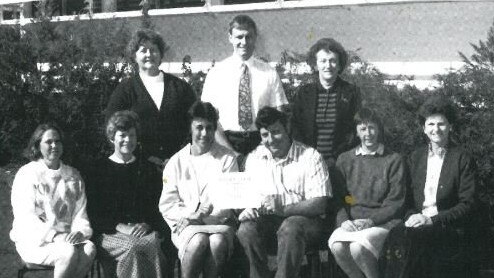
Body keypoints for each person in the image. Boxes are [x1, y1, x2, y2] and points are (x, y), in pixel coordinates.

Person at [383, 96, 478, 278]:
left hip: (448, 227)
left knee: (416, 241)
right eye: (431, 124)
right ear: (424, 129)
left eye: (441, 124)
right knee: (395, 235)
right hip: (418, 223)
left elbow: (468, 204)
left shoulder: (462, 158)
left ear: (451, 127)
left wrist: (432, 220)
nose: (436, 129)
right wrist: (411, 216)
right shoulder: (415, 158)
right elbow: (407, 199)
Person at [237, 106, 331, 278]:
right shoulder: (254, 159)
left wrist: (284, 208)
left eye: (276, 132)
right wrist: (249, 208)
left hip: (307, 223)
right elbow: (249, 196)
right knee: (246, 230)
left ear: (287, 129)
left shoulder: (310, 157)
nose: (271, 140)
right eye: (265, 135)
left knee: (290, 227)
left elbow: (319, 203)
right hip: (268, 222)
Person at [160, 101, 238, 278]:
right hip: (185, 224)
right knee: (197, 241)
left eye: (209, 128)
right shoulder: (176, 162)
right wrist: (190, 216)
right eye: (199, 127)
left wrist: (202, 218)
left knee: (217, 242)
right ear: (190, 128)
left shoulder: (227, 158)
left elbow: (228, 200)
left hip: (219, 222)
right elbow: (168, 204)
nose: (204, 133)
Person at [86, 111, 166, 277]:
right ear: (112, 138)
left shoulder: (148, 170)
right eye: (122, 135)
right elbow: (94, 212)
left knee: (151, 245)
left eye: (132, 135)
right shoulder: (98, 170)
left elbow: (157, 207)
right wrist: (120, 226)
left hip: (142, 232)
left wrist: (147, 224)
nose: (128, 140)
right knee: (133, 247)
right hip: (109, 233)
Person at [328, 108, 406, 278]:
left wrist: (371, 220)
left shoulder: (393, 159)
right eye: (363, 129)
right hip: (353, 222)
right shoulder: (345, 160)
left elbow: (395, 201)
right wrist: (343, 221)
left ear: (378, 129)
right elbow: (342, 198)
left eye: (372, 128)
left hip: (384, 222)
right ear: (356, 132)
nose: (368, 133)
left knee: (358, 248)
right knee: (337, 246)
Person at [10, 123, 95, 278]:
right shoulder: (27, 175)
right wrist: (54, 236)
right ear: (37, 146)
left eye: (58, 141)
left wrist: (79, 232)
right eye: (49, 142)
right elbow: (25, 217)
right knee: (67, 252)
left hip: (67, 238)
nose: (54, 145)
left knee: (89, 249)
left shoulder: (73, 176)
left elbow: (80, 213)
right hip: (35, 240)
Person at [106, 28, 196, 171]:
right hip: (138, 168)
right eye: (143, 50)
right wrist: (143, 156)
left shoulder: (180, 88)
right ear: (135, 56)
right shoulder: (125, 90)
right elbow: (112, 129)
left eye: (153, 50)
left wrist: (177, 157)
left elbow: (195, 125)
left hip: (179, 166)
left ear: (161, 54)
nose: (149, 54)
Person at [201, 14, 289, 157]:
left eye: (249, 37)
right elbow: (207, 117)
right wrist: (229, 151)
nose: (244, 42)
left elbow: (279, 115)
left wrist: (264, 147)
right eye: (239, 37)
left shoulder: (269, 72)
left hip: (262, 142)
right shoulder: (216, 73)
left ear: (255, 38)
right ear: (230, 38)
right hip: (224, 141)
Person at [291, 38, 361, 169]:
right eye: (323, 61)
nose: (328, 66)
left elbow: (354, 130)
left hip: (341, 163)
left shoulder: (351, 93)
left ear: (339, 65)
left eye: (333, 61)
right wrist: (308, 156)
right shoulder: (304, 93)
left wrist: (336, 158)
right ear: (315, 65)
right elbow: (295, 127)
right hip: (308, 162)